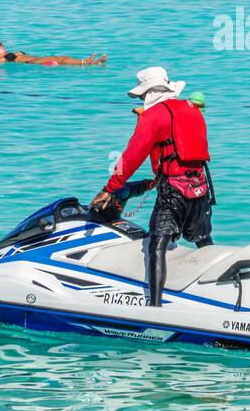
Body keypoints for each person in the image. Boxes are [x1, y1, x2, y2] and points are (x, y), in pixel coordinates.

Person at [91, 67, 213, 308]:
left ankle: (154, 308)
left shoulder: (153, 117)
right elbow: (178, 146)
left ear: (148, 94)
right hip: (200, 187)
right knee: (202, 240)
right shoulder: (192, 110)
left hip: (173, 193)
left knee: (156, 245)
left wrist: (109, 188)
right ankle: (218, 291)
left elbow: (131, 157)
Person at [0, 41, 105, 66]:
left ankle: (93, 62)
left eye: (1, 44)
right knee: (60, 58)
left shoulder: (8, 54)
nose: (1, 46)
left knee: (62, 58)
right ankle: (86, 62)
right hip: (32, 62)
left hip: (36, 59)